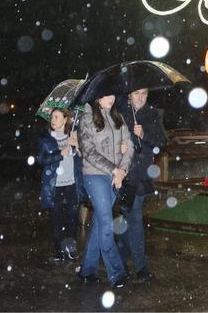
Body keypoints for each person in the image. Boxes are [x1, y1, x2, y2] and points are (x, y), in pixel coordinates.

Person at [75, 93, 131, 288]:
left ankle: (87, 271)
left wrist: (122, 170)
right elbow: (89, 152)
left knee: (100, 222)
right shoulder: (87, 118)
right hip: (95, 176)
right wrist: (114, 169)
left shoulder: (119, 117)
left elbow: (129, 146)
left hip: (115, 177)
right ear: (97, 97)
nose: (111, 97)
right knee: (107, 222)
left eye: (113, 93)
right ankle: (116, 272)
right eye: (106, 94)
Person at [115, 86, 167, 282]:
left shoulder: (152, 114)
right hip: (124, 175)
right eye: (137, 93)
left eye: (144, 93)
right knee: (133, 220)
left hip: (142, 177)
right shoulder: (119, 113)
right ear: (129, 95)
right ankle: (140, 268)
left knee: (130, 220)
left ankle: (122, 264)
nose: (141, 97)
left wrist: (144, 134)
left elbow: (161, 142)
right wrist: (120, 147)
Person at [37, 108, 83, 261]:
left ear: (65, 119)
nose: (53, 120)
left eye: (57, 117)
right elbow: (41, 160)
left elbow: (82, 159)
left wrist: (77, 146)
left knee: (72, 218)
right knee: (57, 219)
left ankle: (70, 247)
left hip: (72, 184)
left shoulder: (73, 136)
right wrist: (59, 153)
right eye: (52, 117)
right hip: (54, 185)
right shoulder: (46, 139)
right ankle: (58, 250)